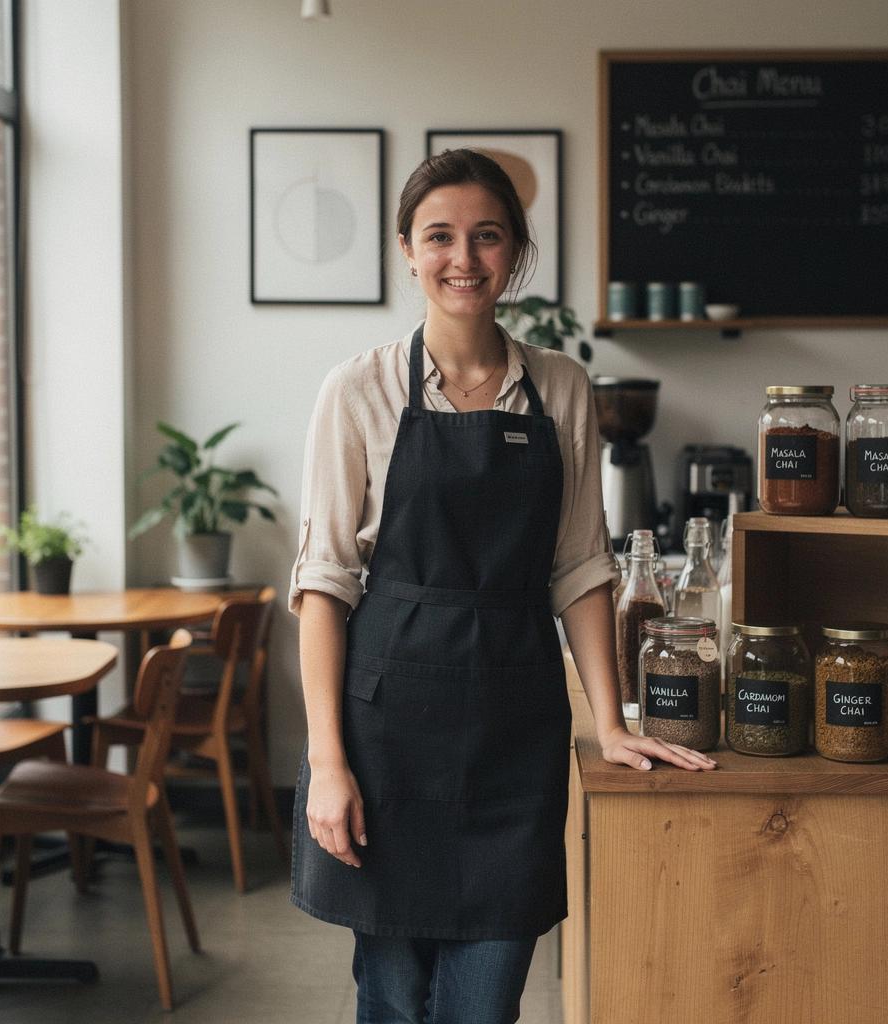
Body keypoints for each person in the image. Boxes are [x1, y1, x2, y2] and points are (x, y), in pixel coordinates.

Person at [289, 148, 716, 1024]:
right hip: (387, 733)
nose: (463, 258)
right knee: (395, 994)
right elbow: (324, 585)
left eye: (487, 236)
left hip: (512, 730)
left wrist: (612, 722)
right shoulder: (358, 390)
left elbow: (580, 566)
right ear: (407, 250)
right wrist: (328, 760)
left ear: (515, 252)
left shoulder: (560, 387)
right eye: (439, 235)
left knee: (486, 1002)